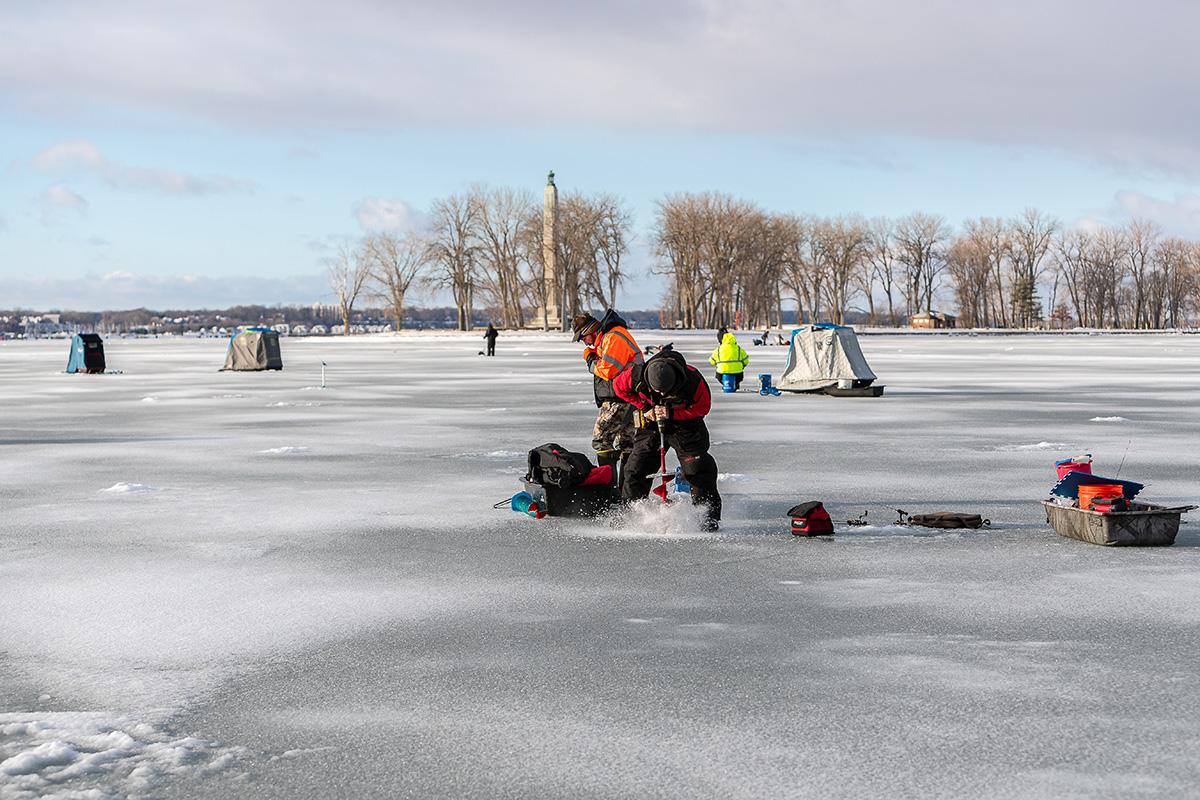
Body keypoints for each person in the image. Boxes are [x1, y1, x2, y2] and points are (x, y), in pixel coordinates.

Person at [613, 346, 721, 531]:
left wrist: (671, 413)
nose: (662, 395)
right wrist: (645, 408)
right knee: (636, 467)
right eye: (658, 392)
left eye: (666, 392)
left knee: (697, 468)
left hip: (686, 423)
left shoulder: (693, 379)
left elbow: (702, 408)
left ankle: (706, 518)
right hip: (651, 421)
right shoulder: (636, 375)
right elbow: (618, 388)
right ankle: (630, 515)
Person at [572, 310, 644, 470]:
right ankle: (625, 491)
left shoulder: (613, 337)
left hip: (620, 398)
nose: (585, 343)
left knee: (601, 439)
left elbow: (608, 370)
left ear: (589, 331)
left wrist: (590, 359)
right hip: (626, 396)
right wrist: (594, 354)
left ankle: (611, 490)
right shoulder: (607, 339)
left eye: (582, 338)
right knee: (626, 442)